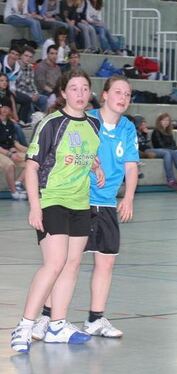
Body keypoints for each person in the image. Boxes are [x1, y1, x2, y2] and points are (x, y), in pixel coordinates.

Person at [32, 75, 139, 341]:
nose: (122, 98)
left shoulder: (127, 127)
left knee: (106, 262)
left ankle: (95, 318)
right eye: (117, 92)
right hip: (79, 199)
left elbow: (131, 164)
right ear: (103, 95)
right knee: (65, 262)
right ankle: (46, 316)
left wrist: (128, 197)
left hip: (106, 202)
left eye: (127, 94)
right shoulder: (86, 119)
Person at [10, 70, 103, 353]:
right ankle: (25, 325)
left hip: (80, 203)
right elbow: (33, 166)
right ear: (63, 93)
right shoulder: (52, 123)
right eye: (73, 88)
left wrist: (95, 166)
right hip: (52, 200)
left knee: (72, 264)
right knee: (53, 263)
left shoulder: (93, 125)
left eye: (84, 88)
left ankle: (57, 325)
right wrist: (35, 207)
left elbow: (86, 154)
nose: (79, 93)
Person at [0, 98, 27, 200]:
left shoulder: (11, 124)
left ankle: (19, 182)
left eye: (7, 107)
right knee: (10, 165)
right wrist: (10, 154)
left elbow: (13, 143)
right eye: (2, 107)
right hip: (2, 152)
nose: (5, 109)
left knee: (31, 159)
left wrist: (14, 150)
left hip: (8, 151)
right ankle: (14, 192)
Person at [14, 47, 49, 124]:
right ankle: (30, 122)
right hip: (18, 93)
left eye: (30, 57)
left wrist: (35, 93)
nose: (28, 58)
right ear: (21, 56)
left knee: (44, 98)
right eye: (26, 56)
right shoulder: (16, 66)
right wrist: (30, 95)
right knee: (29, 101)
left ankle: (43, 121)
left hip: (29, 93)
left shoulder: (30, 67)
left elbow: (32, 83)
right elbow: (15, 87)